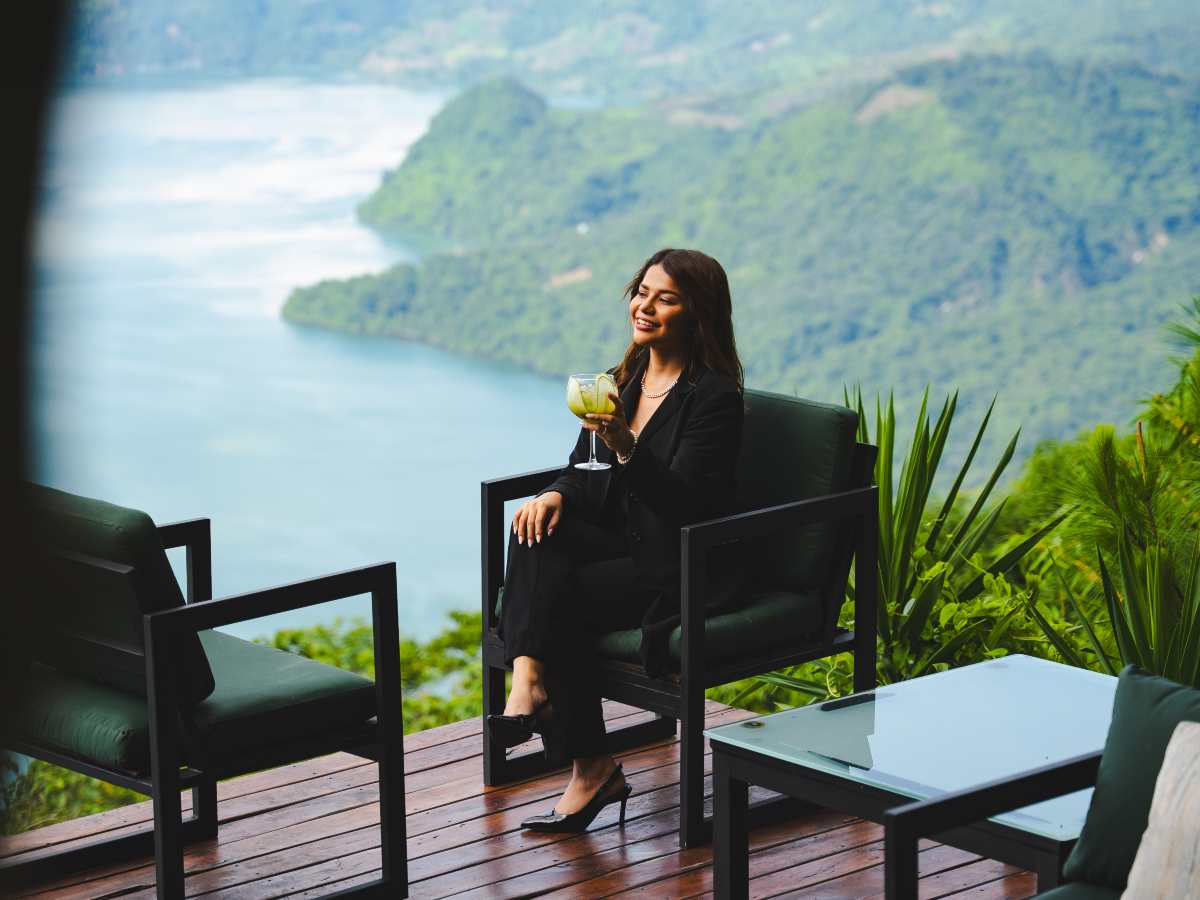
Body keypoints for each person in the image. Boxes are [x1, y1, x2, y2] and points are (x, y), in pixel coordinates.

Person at [489, 247, 747, 833]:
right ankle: (530, 683)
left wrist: (627, 444)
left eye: (667, 297)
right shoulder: (624, 376)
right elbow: (583, 467)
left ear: (697, 312)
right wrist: (555, 493)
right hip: (621, 541)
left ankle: (585, 759)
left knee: (561, 594)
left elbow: (686, 504)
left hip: (678, 560)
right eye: (642, 291)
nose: (645, 306)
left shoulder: (713, 398)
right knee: (536, 531)